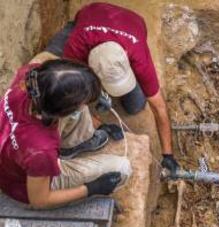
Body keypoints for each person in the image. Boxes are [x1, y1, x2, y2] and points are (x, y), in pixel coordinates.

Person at [45, 2, 179, 175]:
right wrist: (100, 125)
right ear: (90, 70)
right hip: (88, 19)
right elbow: (70, 95)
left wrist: (168, 154)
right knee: (52, 67)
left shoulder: (138, 55)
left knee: (136, 105)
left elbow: (159, 107)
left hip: (131, 23)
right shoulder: (76, 47)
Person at [0, 57, 131, 209]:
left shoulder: (32, 78)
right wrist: (91, 189)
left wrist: (95, 92)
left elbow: (49, 62)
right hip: (23, 189)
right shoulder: (41, 150)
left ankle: (70, 147)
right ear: (60, 112)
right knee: (122, 168)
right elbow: (39, 201)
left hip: (12, 158)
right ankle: (70, 182)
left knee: (80, 109)